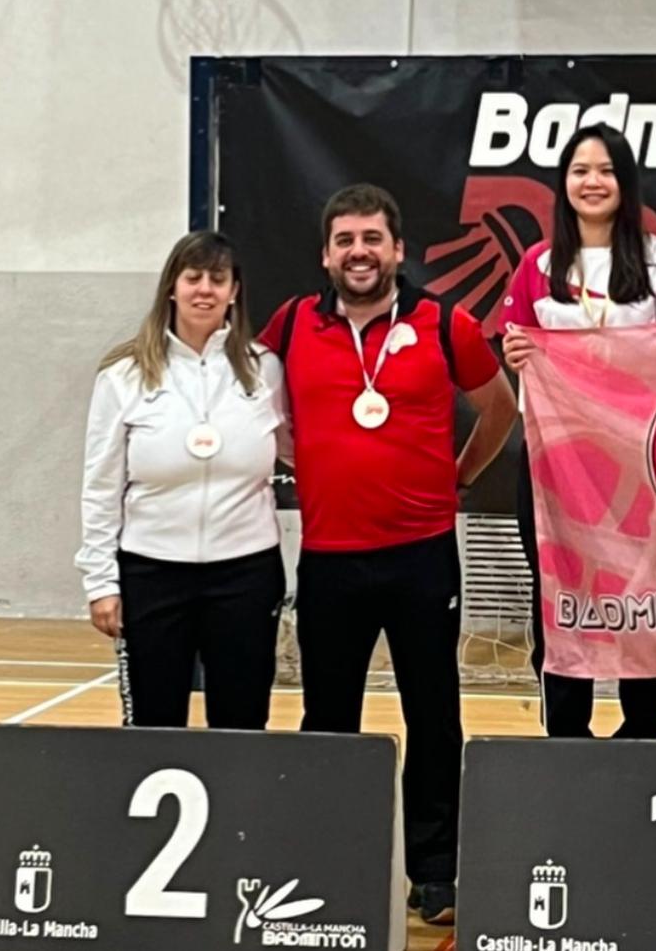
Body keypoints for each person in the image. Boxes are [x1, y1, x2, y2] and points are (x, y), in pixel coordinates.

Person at [257, 183, 517, 925]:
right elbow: (258, 409)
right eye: (345, 240)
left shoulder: (444, 324)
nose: (359, 252)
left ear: (398, 249)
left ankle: (435, 873)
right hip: (330, 557)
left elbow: (500, 407)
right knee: (327, 716)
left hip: (421, 556)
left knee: (432, 713)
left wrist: (457, 476)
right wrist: (306, 458)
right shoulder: (292, 324)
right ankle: (332, 861)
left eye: (372, 238)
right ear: (325, 255)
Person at [499, 123, 656, 739]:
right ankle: (566, 732)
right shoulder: (538, 264)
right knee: (559, 589)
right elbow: (516, 348)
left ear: (626, 182)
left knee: (643, 590)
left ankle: (643, 726)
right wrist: (518, 355)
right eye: (580, 171)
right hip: (555, 464)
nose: (592, 182)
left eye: (606, 170)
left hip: (639, 463)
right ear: (563, 183)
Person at [76, 230, 290, 730]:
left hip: (246, 574)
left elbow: (299, 450)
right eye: (193, 277)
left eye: (218, 279)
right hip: (152, 574)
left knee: (242, 723)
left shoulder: (265, 370)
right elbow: (101, 487)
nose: (205, 290)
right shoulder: (123, 375)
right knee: (155, 725)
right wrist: (101, 582)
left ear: (234, 291)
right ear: (172, 287)